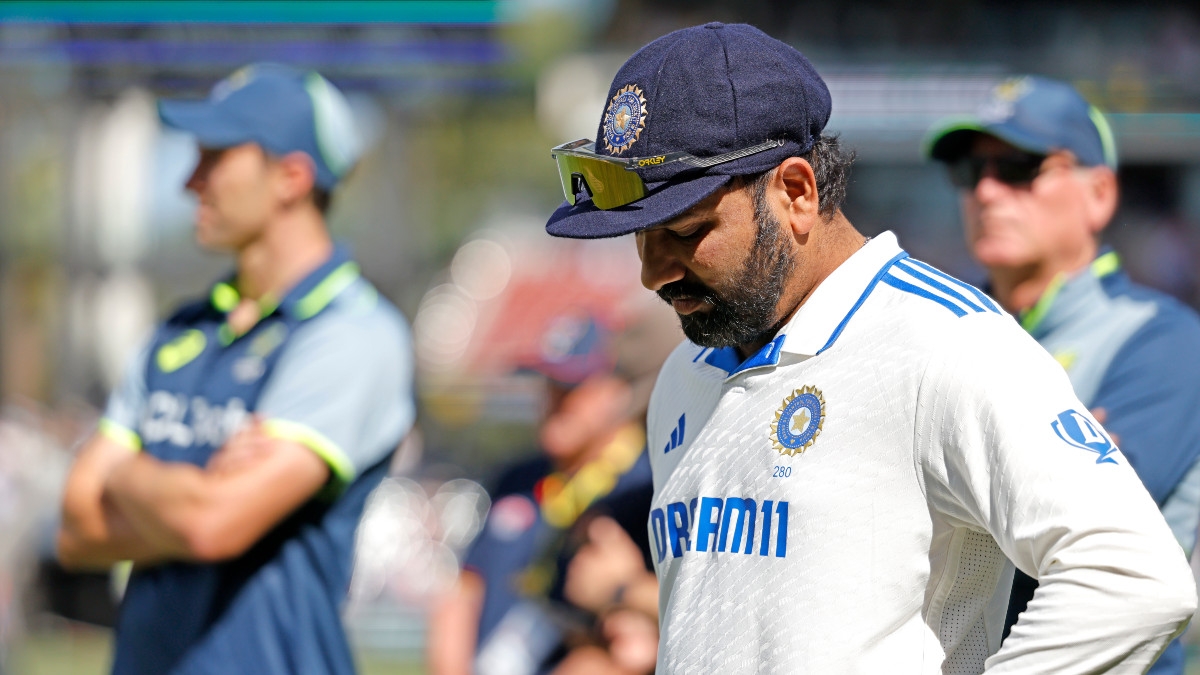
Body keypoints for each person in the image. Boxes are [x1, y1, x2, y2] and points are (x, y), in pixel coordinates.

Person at [543, 22, 1196, 673]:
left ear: (795, 193)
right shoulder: (685, 372)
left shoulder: (944, 341)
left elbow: (1130, 576)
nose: (654, 272)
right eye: (641, 236)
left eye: (685, 231)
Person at [56, 63, 414, 674]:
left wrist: (125, 473)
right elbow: (75, 527)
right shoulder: (180, 330)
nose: (189, 182)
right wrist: (196, 488)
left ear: (292, 178)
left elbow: (210, 525)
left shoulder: (355, 334)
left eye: (214, 157)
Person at [926, 75, 1200, 675]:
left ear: (1099, 194)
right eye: (971, 173)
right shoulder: (933, 328)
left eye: (1020, 167)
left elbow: (1070, 541)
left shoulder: (1166, 343)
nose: (989, 192)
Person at [426, 311, 657, 675]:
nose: (554, 401)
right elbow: (465, 591)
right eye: (548, 384)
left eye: (572, 387)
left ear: (617, 390)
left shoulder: (648, 486)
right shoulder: (519, 477)